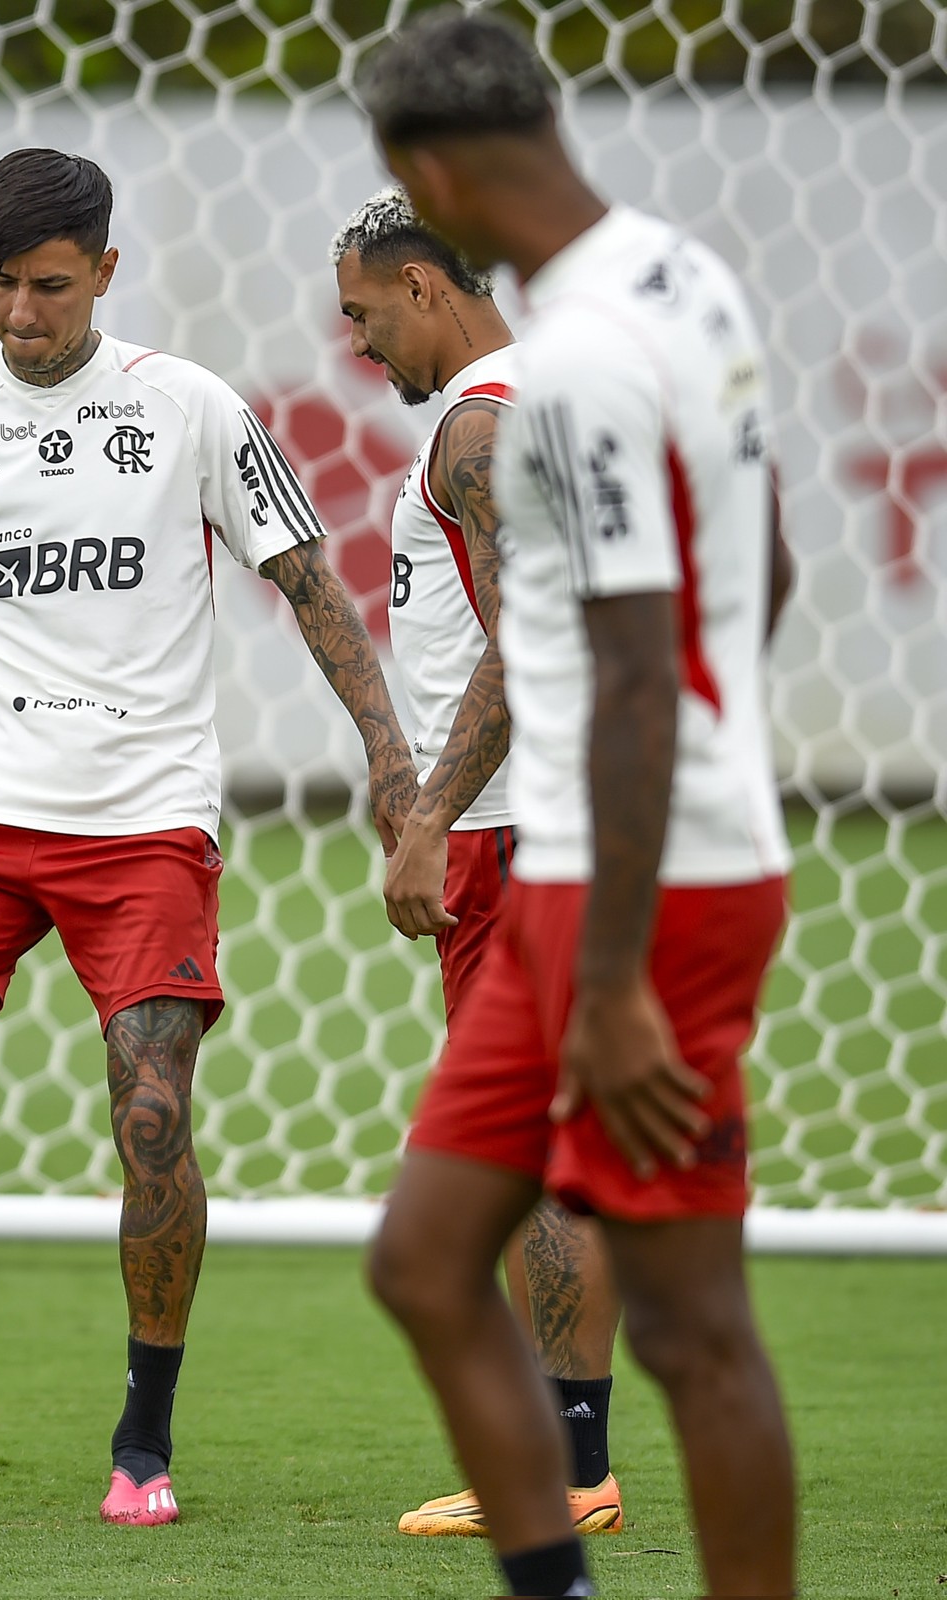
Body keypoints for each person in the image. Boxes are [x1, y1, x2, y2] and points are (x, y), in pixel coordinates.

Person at [0, 147, 419, 1527]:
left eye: (49, 286)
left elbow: (311, 587)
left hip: (142, 823)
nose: (20, 315)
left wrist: (391, 756)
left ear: (105, 272)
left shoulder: (191, 413)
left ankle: (143, 1436)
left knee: (152, 1114)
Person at [358, 11, 798, 1598]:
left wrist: (611, 979)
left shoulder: (583, 361)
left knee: (693, 1326)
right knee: (421, 1262)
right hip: (597, 857)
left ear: (426, 176)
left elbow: (619, 672)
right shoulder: (688, 279)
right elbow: (774, 569)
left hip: (646, 891)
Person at [331, 187, 624, 1539]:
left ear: (426, 289)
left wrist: (432, 816)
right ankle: (570, 1458)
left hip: (514, 832)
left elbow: (523, 649)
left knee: (517, 1152)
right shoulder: (550, 399)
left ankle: (569, 1471)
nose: (359, 343)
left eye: (366, 312)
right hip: (557, 819)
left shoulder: (478, 431)